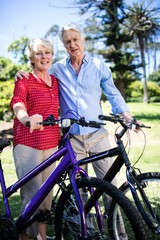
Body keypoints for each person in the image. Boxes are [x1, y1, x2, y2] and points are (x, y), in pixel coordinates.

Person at [15, 24, 140, 239]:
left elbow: (113, 94)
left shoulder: (99, 65)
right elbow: (37, 72)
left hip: (98, 135)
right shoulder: (57, 70)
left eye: (75, 39)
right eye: (67, 42)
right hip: (72, 138)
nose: (73, 44)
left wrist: (127, 117)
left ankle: (118, 235)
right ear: (64, 46)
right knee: (80, 189)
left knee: (110, 185)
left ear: (82, 40)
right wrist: (22, 72)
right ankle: (88, 233)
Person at [11, 38, 60, 240]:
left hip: (51, 144)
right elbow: (18, 103)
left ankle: (41, 236)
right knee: (32, 195)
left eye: (47, 52)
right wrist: (26, 118)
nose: (44, 56)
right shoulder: (24, 79)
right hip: (28, 143)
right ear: (31, 57)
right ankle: (24, 236)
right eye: (39, 53)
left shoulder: (56, 81)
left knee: (46, 197)